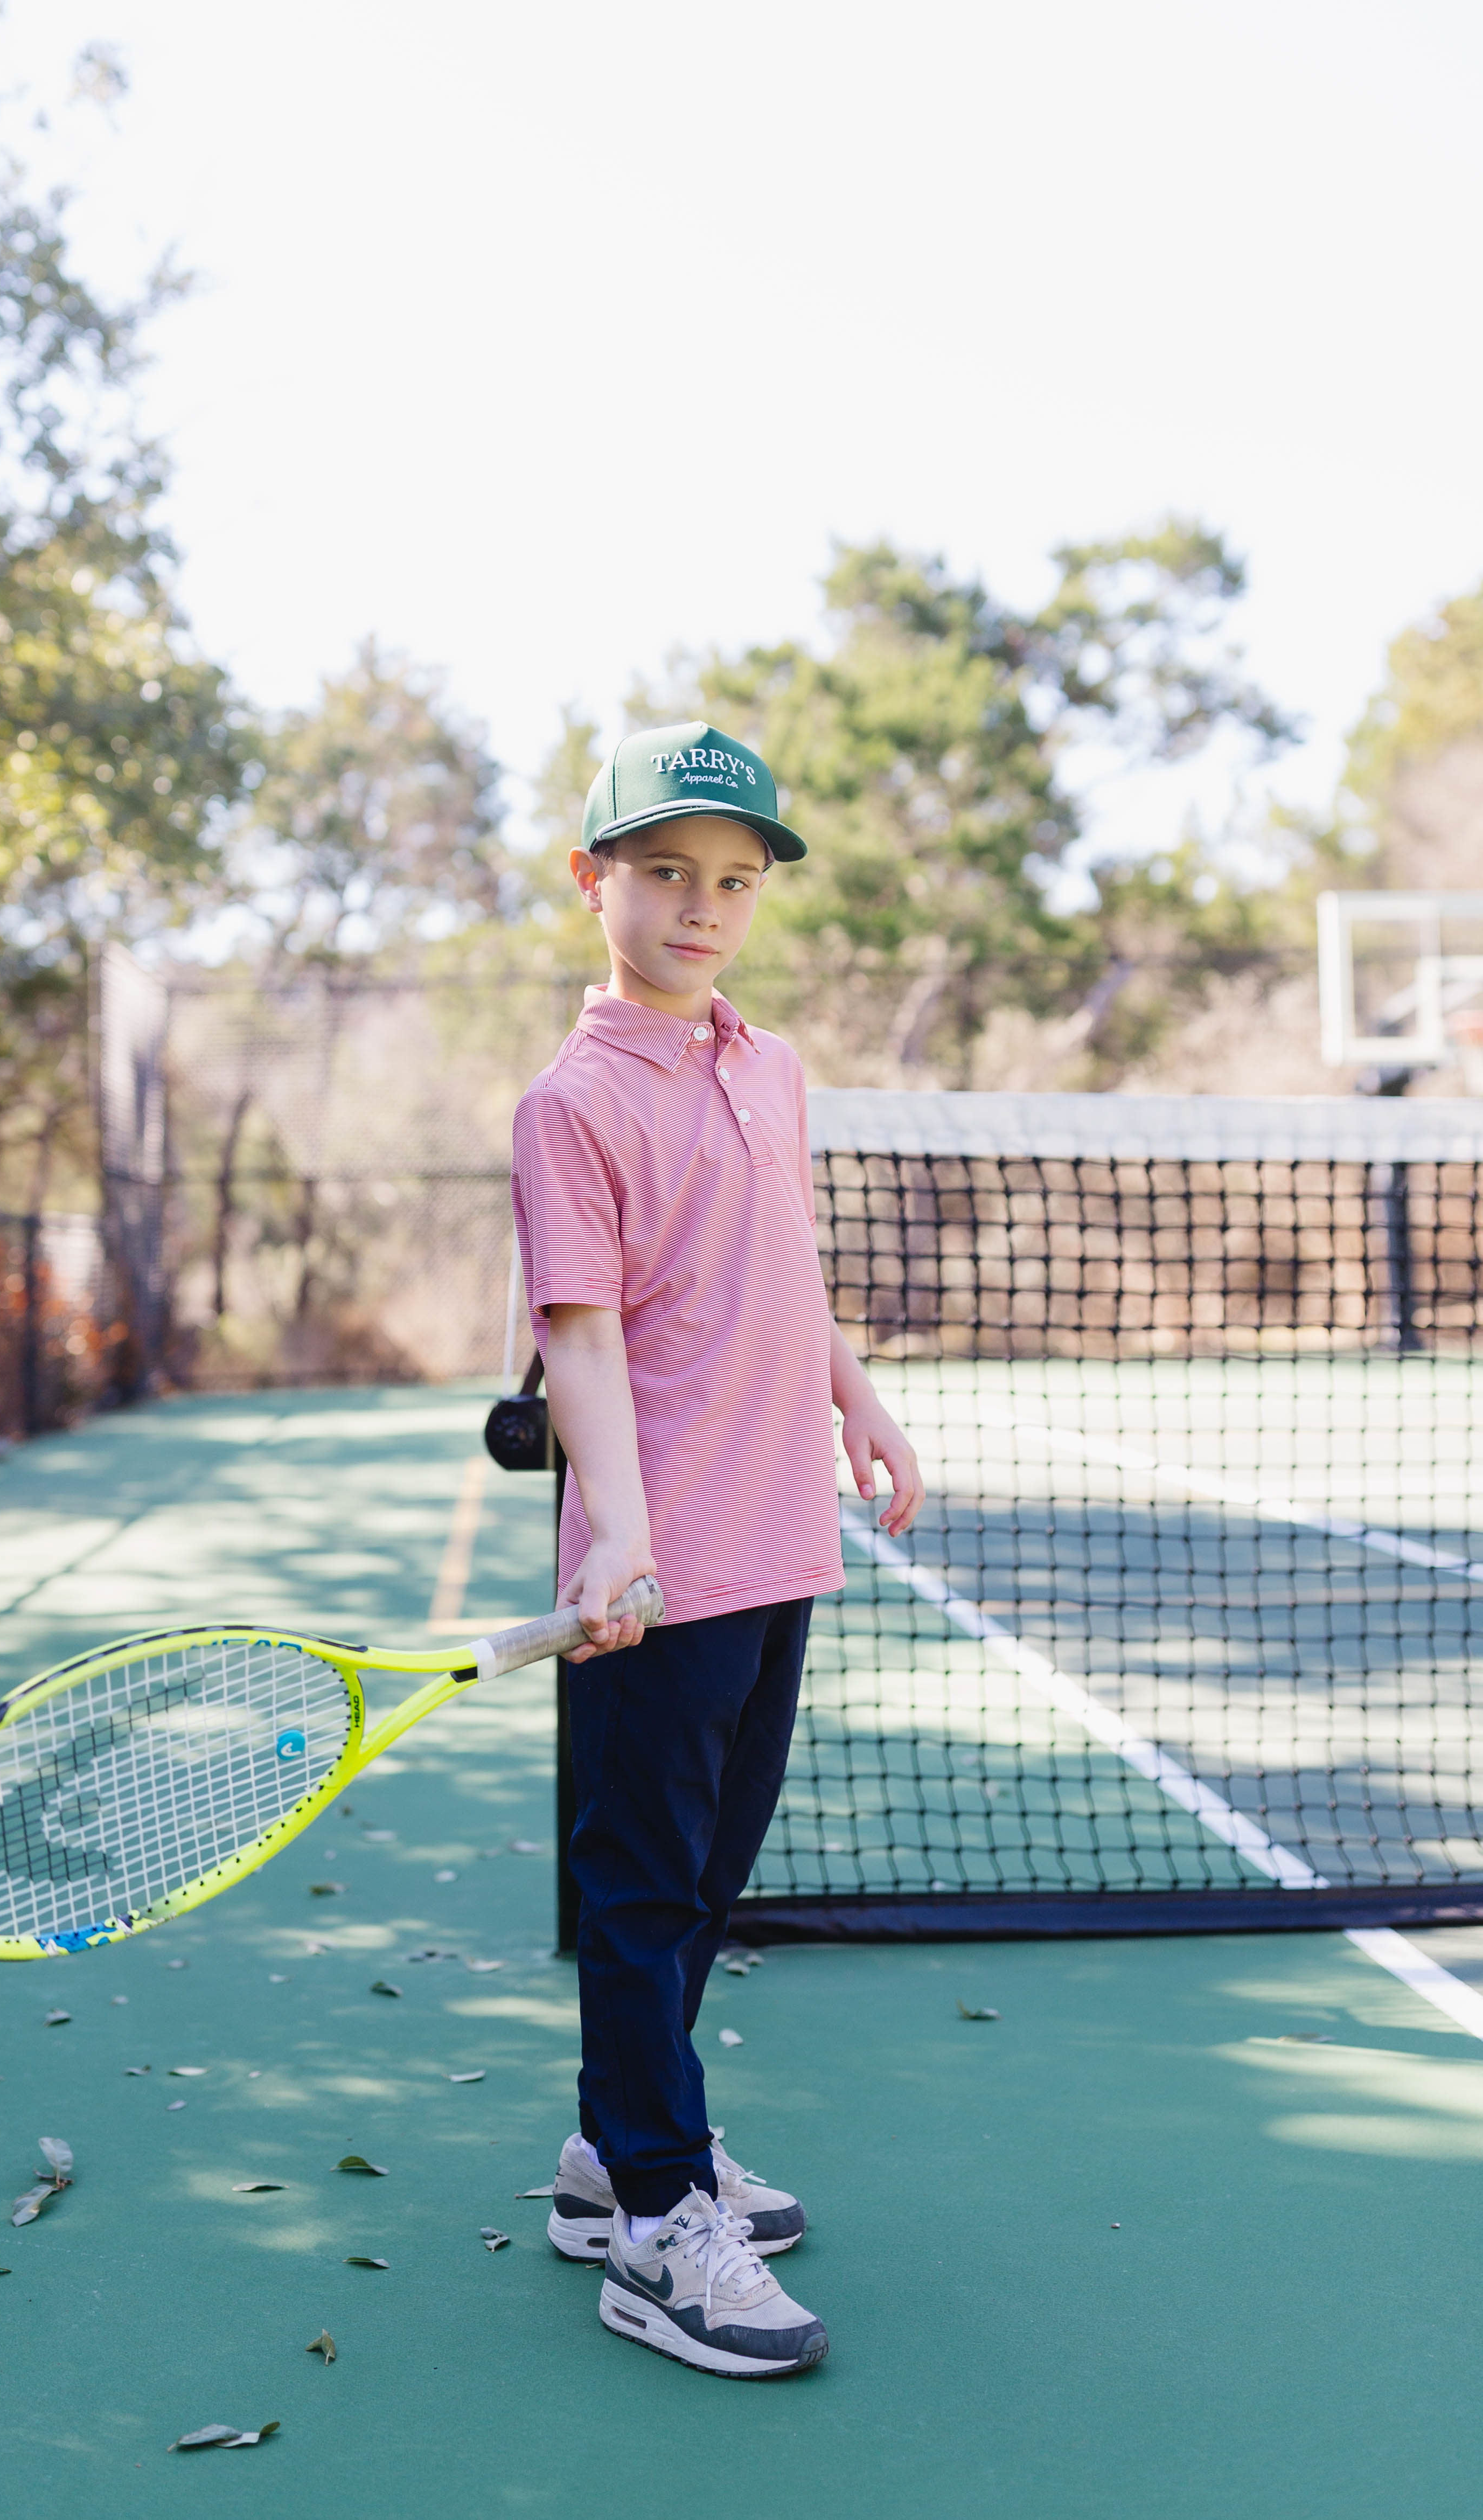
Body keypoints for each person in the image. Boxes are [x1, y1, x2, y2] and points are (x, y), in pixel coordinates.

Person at [510, 721, 922, 2379]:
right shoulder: (571, 1103)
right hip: (655, 1574)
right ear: (592, 880)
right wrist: (616, 1531)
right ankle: (655, 2234)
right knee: (639, 1886)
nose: (702, 907)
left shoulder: (772, 1063)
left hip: (779, 1540)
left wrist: (862, 1406)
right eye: (667, 873)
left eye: (734, 881)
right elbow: (583, 1337)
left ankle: (619, 2154)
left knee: (705, 1881)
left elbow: (788, 1267)